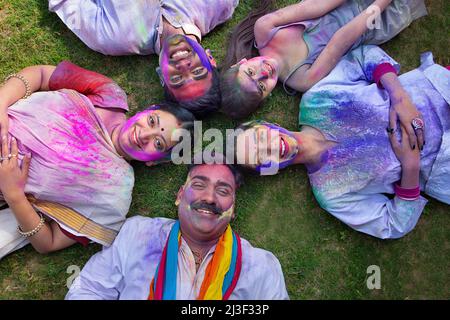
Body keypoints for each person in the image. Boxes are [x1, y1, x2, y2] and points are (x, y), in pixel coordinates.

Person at [233, 45, 450, 239]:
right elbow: (393, 224)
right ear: (268, 170)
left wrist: (399, 97)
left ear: (267, 124)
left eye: (260, 137)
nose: (270, 146)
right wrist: (411, 167)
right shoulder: (331, 194)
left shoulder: (316, 100)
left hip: (438, 90)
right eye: (260, 156)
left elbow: (364, 57)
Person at [0, 61, 195, 259]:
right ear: (147, 109)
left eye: (158, 143)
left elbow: (48, 242)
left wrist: (13, 194)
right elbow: (41, 75)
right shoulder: (109, 96)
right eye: (152, 121)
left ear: (155, 161)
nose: (146, 135)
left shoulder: (113, 196)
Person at [65, 161, 289, 300]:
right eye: (199, 185)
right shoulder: (138, 234)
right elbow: (89, 290)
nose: (209, 198)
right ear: (180, 196)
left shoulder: (261, 267)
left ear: (233, 209)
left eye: (223, 190)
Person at [220, 0, 427, 119]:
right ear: (267, 98)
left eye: (250, 72)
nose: (263, 73)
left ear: (241, 63)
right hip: (373, 22)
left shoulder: (265, 29)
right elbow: (343, 39)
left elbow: (317, 6)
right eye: (261, 87)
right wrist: (380, 3)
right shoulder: (301, 79)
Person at [49, 0, 239, 116]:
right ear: (210, 58)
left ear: (161, 76)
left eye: (177, 79)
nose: (184, 67)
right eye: (198, 71)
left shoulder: (114, 37)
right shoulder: (220, 4)